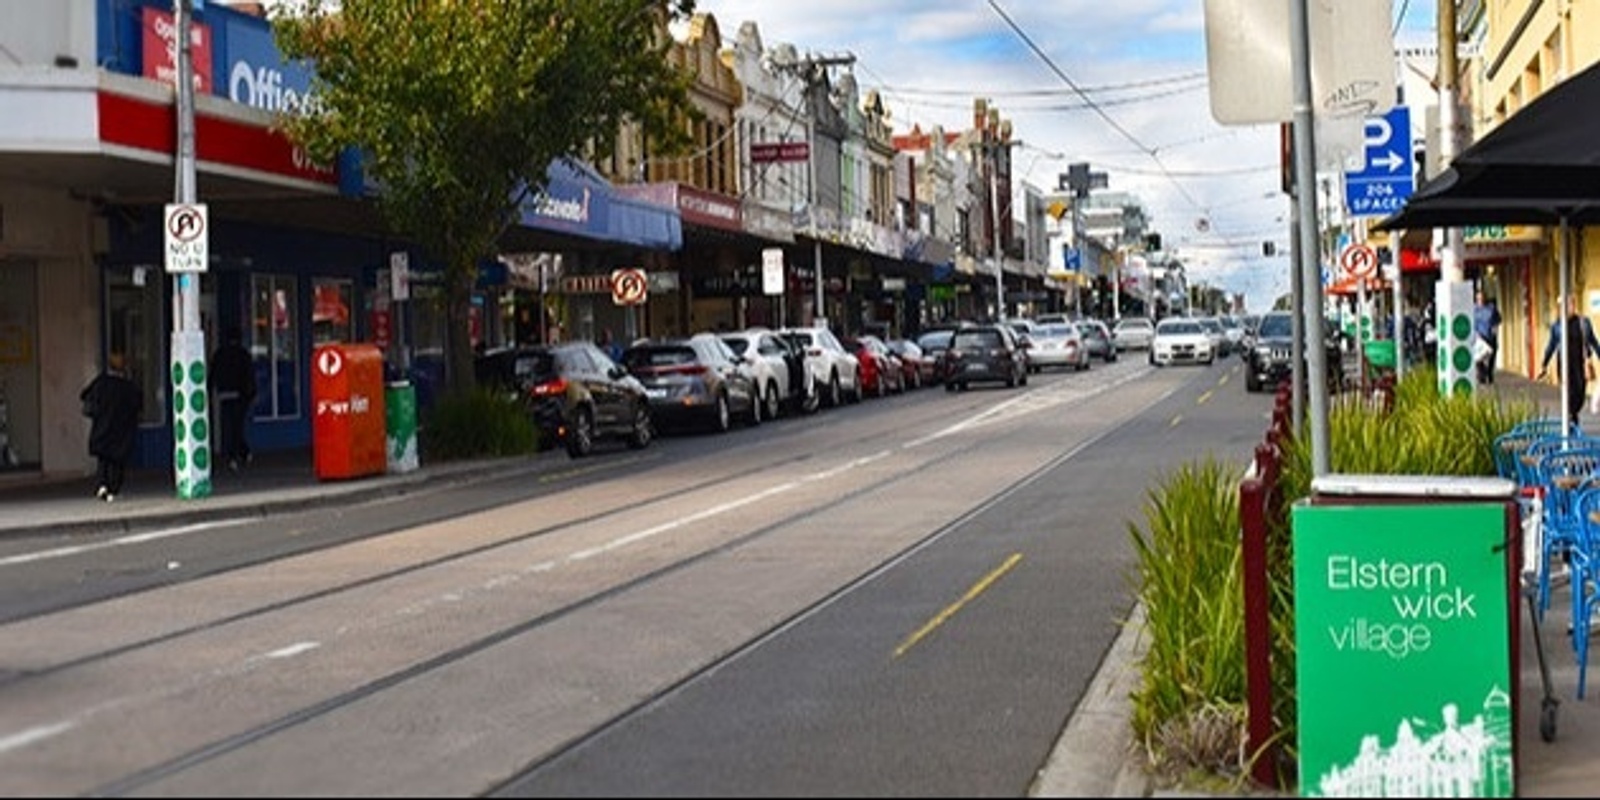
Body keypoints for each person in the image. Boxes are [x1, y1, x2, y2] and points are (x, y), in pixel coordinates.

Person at [79, 352, 142, 502]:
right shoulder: (129, 387)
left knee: (103, 461)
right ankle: (113, 489)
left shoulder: (101, 383)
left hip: (102, 428)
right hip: (121, 431)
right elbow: (138, 406)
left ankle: (103, 485)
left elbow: (84, 395)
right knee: (117, 463)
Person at [1538, 295, 1600, 430]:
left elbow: (1593, 341)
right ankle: (1571, 417)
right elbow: (1551, 345)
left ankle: (1573, 413)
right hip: (1564, 364)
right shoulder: (1557, 326)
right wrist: (1544, 363)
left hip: (1580, 363)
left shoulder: (1584, 323)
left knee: (1580, 393)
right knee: (1569, 392)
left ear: (1574, 305)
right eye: (1563, 306)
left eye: (1570, 305)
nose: (1567, 308)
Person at [210, 327, 256, 471]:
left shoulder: (219, 354)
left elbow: (213, 373)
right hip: (240, 395)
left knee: (231, 426)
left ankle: (240, 453)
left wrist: (209, 389)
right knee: (237, 426)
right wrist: (251, 393)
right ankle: (237, 455)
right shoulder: (243, 354)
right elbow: (249, 376)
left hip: (224, 393)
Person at [1474, 290, 1503, 385]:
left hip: (1490, 335)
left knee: (1492, 356)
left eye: (1482, 298)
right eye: (1478, 298)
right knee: (1479, 358)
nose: (1480, 300)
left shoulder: (1491, 308)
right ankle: (1481, 375)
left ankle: (1490, 374)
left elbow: (1499, 319)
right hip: (1480, 336)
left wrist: (1495, 327)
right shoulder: (1474, 309)